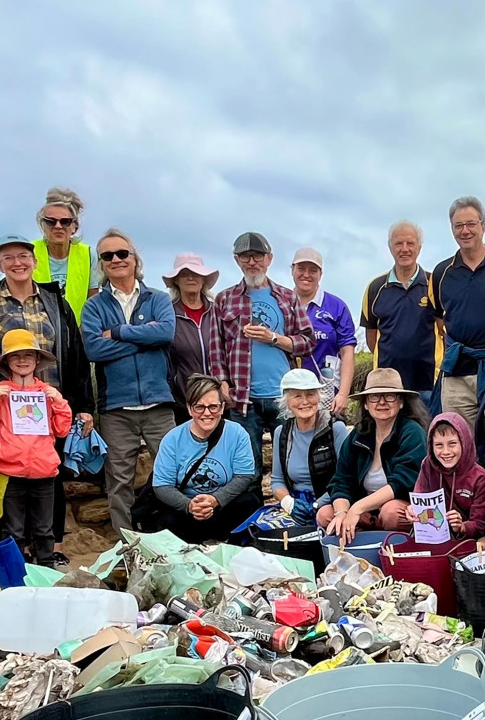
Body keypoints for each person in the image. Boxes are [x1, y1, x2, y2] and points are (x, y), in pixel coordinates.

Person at [80, 229, 177, 535]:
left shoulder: (158, 298)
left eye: (122, 253)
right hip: (116, 408)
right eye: (107, 256)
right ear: (101, 265)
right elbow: (94, 349)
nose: (116, 260)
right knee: (119, 482)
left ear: (135, 259)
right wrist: (143, 336)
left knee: (172, 473)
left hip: (158, 403)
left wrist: (119, 332)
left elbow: (165, 333)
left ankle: (171, 538)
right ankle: (127, 544)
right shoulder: (94, 306)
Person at [207, 232, 315, 450]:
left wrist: (273, 338)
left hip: (284, 395)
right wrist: (223, 384)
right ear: (237, 260)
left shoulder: (287, 297)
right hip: (242, 399)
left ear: (269, 259)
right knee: (248, 468)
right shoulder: (224, 299)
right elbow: (215, 349)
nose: (252, 262)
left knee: (290, 459)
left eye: (257, 256)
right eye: (245, 257)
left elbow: (308, 342)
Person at [0, 328, 75, 565]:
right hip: (9, 473)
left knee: (44, 530)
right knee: (13, 532)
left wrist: (60, 403)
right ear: (6, 361)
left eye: (28, 355)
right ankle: (15, 580)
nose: (22, 361)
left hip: (44, 472)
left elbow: (62, 430)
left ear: (37, 359)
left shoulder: (48, 393)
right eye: (15, 355)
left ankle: (46, 575)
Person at [0, 236, 86, 397]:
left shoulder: (58, 305)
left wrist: (83, 407)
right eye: (8, 258)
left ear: (35, 262)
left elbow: (76, 358)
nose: (17, 263)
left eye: (23, 256)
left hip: (51, 406)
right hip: (0, 409)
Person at [430, 197, 485, 424]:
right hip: (457, 373)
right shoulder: (441, 273)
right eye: (458, 226)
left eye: (471, 224)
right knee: (459, 442)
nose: (465, 231)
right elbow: (440, 320)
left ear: (483, 225)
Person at [151, 375, 260, 542]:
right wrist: (190, 505)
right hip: (187, 507)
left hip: (224, 505)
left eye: (213, 407)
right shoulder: (172, 439)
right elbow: (162, 485)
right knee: (166, 518)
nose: (207, 413)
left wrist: (216, 499)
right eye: (199, 407)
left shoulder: (237, 433)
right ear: (189, 408)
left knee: (250, 502)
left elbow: (244, 475)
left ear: (222, 407)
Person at [326, 366, 430, 540]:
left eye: (390, 396)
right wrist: (342, 512)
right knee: (326, 514)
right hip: (367, 511)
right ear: (366, 404)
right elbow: (341, 480)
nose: (382, 402)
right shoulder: (358, 435)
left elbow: (401, 483)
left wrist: (357, 508)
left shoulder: (412, 432)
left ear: (401, 402)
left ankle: (396, 548)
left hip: (403, 506)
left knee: (391, 513)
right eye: (374, 397)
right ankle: (356, 545)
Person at [361, 221, 438, 395]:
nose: (404, 249)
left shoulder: (435, 283)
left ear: (419, 247)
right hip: (386, 383)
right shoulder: (375, 288)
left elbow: (444, 330)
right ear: (390, 248)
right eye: (398, 244)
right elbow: (372, 337)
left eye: (410, 243)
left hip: (428, 381)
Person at [270, 366, 350, 527]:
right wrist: (288, 502)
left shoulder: (335, 429)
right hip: (296, 505)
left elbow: (347, 478)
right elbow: (277, 480)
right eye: (297, 396)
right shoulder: (281, 433)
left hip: (331, 504)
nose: (305, 401)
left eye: (310, 394)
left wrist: (317, 504)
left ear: (319, 397)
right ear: (287, 401)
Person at [413, 411, 485, 549]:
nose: (445, 451)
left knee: (484, 545)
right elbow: (420, 497)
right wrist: (414, 511)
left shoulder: (480, 477)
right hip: (435, 532)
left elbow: (481, 523)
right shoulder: (427, 465)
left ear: (465, 443)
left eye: (452, 444)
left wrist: (462, 526)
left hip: (471, 535)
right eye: (439, 445)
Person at [290, 247, 357, 413]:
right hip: (292, 392)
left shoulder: (336, 306)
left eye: (313, 270)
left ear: (321, 274)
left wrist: (343, 393)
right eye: (301, 269)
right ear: (292, 270)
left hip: (327, 392)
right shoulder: (282, 303)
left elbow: (347, 352)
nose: (306, 274)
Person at [163, 252, 221, 417]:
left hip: (218, 401)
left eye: (196, 274)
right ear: (175, 280)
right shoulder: (168, 315)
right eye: (184, 274)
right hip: (183, 402)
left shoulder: (217, 312)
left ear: (204, 279)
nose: (190, 278)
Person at [32, 187, 92, 322]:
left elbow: (93, 302)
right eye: (51, 221)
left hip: (77, 333)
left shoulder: (89, 255)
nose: (58, 226)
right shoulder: (28, 253)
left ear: (74, 226)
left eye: (65, 221)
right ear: (42, 225)